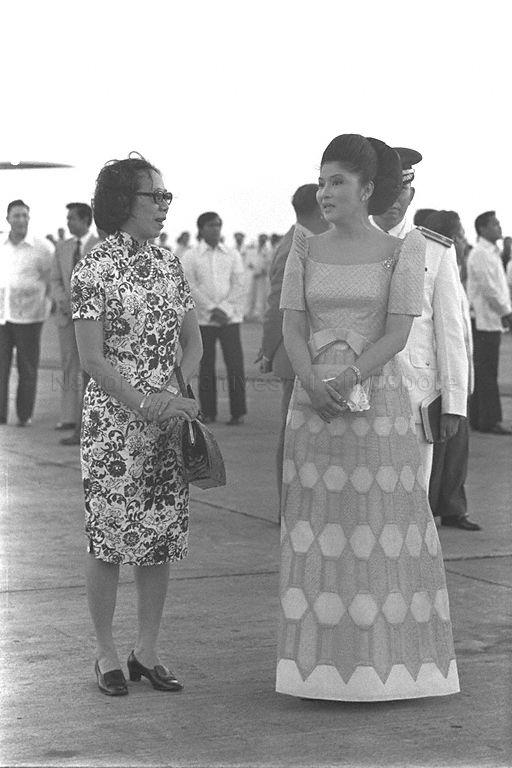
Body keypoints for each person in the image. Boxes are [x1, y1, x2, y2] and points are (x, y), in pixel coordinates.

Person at [276, 133, 459, 701]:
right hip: (312, 414)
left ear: (367, 188)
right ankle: (321, 673)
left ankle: (386, 671)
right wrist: (311, 382)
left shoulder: (404, 251)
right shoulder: (305, 247)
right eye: (323, 180)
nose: (325, 192)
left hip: (379, 410)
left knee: (381, 535)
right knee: (319, 535)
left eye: (338, 182)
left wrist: (350, 377)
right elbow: (291, 325)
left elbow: (399, 332)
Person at [72, 155, 202, 696]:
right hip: (113, 427)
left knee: (159, 540)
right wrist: (148, 403)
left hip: (165, 421)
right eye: (157, 197)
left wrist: (177, 392)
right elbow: (92, 360)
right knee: (108, 541)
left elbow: (191, 341)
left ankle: (146, 650)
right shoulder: (93, 268)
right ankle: (105, 652)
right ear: (125, 202)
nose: (165, 207)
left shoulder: (170, 265)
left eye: (168, 197)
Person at [373, 148, 468, 489]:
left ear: (411, 192)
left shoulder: (436, 250)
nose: (394, 199)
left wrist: (454, 402)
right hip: (363, 397)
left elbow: (450, 332)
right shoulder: (351, 246)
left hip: (417, 395)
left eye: (401, 190)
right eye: (386, 188)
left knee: (413, 500)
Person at [255, 184, 328, 509]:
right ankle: (288, 508)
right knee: (292, 437)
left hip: (306, 352)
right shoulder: (295, 246)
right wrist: (268, 350)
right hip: (292, 352)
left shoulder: (304, 240)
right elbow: (277, 305)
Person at [424, 211, 481, 531]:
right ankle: (432, 508)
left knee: (457, 450)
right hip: (438, 379)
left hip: (459, 379)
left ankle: (453, 507)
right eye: (458, 236)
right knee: (437, 451)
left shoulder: (454, 273)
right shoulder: (434, 268)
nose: (462, 242)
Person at [183, 212, 246, 425]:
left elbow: (239, 283)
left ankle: (238, 412)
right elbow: (189, 286)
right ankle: (208, 412)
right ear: (201, 229)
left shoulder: (232, 254)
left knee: (235, 365)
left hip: (229, 318)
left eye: (218, 225)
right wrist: (211, 309)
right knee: (206, 365)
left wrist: (225, 309)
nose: (216, 229)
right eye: (211, 225)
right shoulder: (191, 256)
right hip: (204, 319)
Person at [0, 200, 54, 426]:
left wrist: (46, 305)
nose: (21, 220)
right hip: (2, 316)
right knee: (1, 368)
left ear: (29, 219)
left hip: (30, 317)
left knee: (27, 368)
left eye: (24, 215)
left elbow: (51, 279)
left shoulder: (42, 248)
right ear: (8, 219)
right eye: (16, 215)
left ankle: (24, 415)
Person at [51, 203, 100, 443]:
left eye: (72, 218)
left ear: (85, 220)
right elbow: (55, 279)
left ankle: (89, 422)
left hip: (91, 320)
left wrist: (80, 305)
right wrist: (64, 302)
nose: (68, 222)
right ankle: (69, 417)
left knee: (89, 369)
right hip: (66, 318)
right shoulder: (62, 247)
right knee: (69, 365)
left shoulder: (100, 246)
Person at [467, 211, 512, 434]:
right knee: (485, 373)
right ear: (483, 228)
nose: (499, 227)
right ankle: (488, 420)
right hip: (485, 320)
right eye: (495, 224)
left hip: (491, 321)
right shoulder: (480, 254)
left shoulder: (492, 253)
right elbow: (489, 290)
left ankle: (480, 418)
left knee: (485, 371)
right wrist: (506, 311)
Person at [245, 233, 272, 321]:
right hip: (252, 275)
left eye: (264, 239)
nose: (262, 241)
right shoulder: (252, 249)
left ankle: (258, 314)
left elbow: (269, 263)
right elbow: (249, 262)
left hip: (262, 277)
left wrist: (262, 271)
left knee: (261, 295)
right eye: (261, 239)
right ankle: (247, 313)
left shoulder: (268, 250)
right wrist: (254, 270)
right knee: (249, 294)